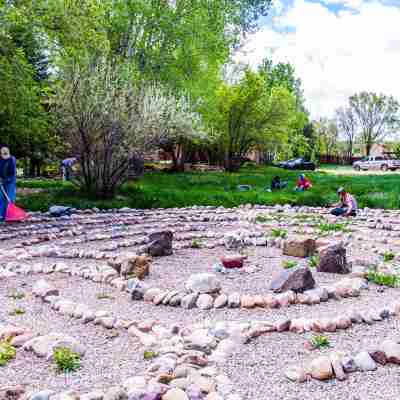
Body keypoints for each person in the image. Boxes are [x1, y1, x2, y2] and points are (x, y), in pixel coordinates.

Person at [0, 146, 17, 221]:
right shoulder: (1, 160)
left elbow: (12, 173)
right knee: (1, 198)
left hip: (10, 181)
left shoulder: (12, 159)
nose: (4, 156)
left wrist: (5, 180)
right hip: (2, 181)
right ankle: (1, 215)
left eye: (6, 154)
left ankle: (10, 215)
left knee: (9, 198)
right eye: (3, 155)